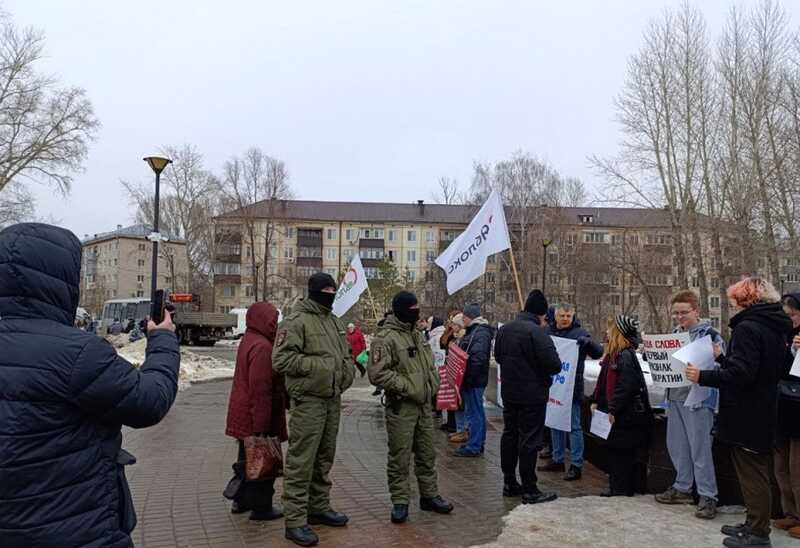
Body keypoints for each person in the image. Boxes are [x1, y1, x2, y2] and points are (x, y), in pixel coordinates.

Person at [0, 222, 181, 548]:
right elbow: (150, 400)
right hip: (79, 530)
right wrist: (163, 340)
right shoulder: (77, 354)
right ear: (63, 280)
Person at [686, 277, 793, 548]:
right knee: (756, 470)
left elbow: (742, 374)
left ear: (746, 301)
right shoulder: (777, 327)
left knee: (752, 472)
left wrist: (703, 376)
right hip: (766, 407)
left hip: (747, 412)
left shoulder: (748, 327)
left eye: (735, 300)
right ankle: (754, 522)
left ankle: (758, 533)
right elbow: (776, 368)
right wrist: (723, 358)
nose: (732, 305)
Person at [273, 273, 356, 547]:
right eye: (326, 289)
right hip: (308, 400)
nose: (331, 293)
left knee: (324, 457)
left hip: (331, 399)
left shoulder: (334, 321)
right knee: (301, 460)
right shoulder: (296, 322)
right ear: (314, 291)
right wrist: (322, 368)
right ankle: (295, 520)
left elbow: (345, 356)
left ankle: (319, 507)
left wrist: (345, 374)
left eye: (334, 288)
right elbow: (281, 359)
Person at [368, 291, 454, 524]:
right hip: (401, 407)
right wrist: (408, 387)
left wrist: (432, 384)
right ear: (402, 310)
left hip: (424, 406)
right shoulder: (385, 338)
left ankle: (429, 495)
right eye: (413, 307)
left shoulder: (417, 335)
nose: (417, 311)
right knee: (400, 456)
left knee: (427, 454)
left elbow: (428, 365)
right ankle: (400, 501)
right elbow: (377, 373)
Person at [654, 290, 725, 519]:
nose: (679, 317)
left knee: (700, 449)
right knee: (677, 445)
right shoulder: (675, 334)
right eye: (675, 312)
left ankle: (708, 495)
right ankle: (682, 487)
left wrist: (716, 358)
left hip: (698, 400)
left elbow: (722, 367)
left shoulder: (710, 335)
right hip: (675, 397)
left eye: (684, 312)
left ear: (696, 311)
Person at [494, 289, 561, 504]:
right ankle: (530, 489)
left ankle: (509, 482)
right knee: (530, 440)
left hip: (510, 393)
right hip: (533, 396)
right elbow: (554, 364)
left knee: (510, 435)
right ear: (542, 313)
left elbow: (498, 356)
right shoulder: (538, 332)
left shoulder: (505, 330)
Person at [225, 301, 287, 521]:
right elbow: (261, 391)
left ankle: (240, 500)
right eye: (272, 318)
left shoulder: (249, 340)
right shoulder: (262, 347)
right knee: (263, 463)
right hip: (257, 417)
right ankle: (261, 508)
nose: (275, 323)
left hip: (243, 413)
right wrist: (262, 428)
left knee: (245, 460)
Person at [538, 303, 603, 481]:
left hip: (572, 388)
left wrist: (588, 343)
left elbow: (598, 353)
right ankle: (557, 460)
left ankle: (576, 464)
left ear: (573, 317)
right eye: (562, 316)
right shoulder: (547, 332)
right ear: (556, 316)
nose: (565, 319)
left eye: (568, 316)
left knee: (574, 427)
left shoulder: (580, 333)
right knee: (554, 423)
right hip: (553, 387)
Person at [591, 315, 653, 497]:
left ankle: (621, 490)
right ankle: (618, 487)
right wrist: (596, 399)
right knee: (615, 453)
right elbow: (603, 381)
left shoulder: (624, 355)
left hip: (624, 416)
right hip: (617, 413)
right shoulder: (614, 355)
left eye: (611, 329)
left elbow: (626, 385)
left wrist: (613, 408)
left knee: (621, 454)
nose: (607, 332)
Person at [774, 293, 800, 538]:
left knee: (797, 467)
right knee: (781, 467)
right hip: (783, 406)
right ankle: (790, 513)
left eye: (793, 315)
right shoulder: (783, 335)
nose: (789, 319)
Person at [454, 303, 494, 457]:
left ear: (469, 317)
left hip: (473, 380)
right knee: (476, 412)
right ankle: (477, 442)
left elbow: (478, 359)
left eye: (464, 316)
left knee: (474, 413)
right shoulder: (475, 331)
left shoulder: (480, 333)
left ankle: (474, 446)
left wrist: (468, 378)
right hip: (472, 379)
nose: (462, 319)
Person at [444, 313, 468, 442]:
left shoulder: (463, 338)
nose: (452, 326)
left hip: (461, 376)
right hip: (454, 374)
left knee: (462, 404)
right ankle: (459, 429)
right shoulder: (455, 337)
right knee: (457, 404)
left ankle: (463, 430)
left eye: (454, 324)